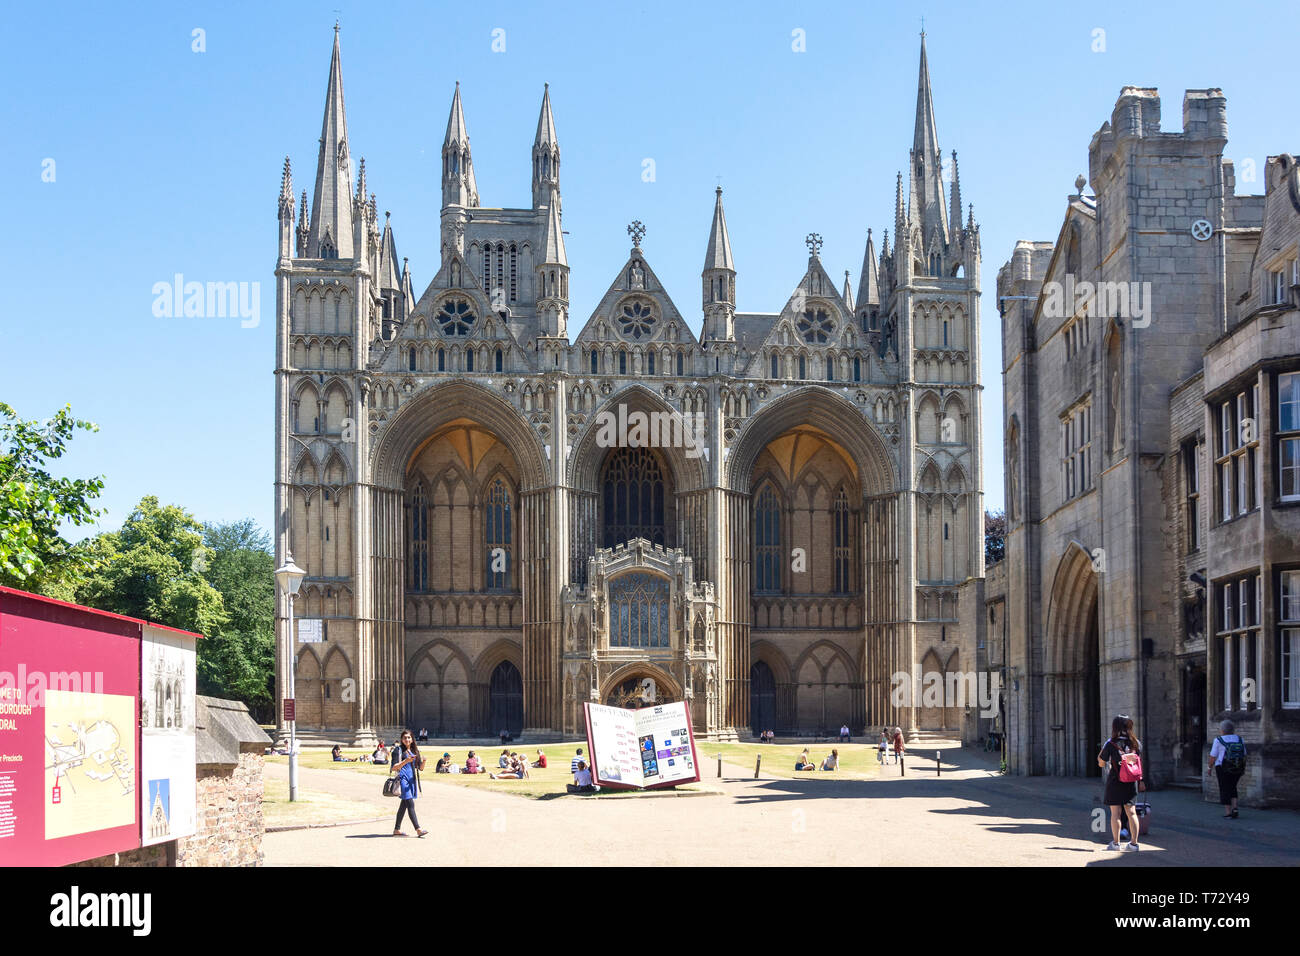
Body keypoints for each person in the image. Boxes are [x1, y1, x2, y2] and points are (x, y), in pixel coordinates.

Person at [1097, 715, 1141, 851]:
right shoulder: (1135, 743)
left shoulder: (1111, 743)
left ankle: (1116, 844)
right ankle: (1134, 844)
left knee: (1115, 813)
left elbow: (1101, 763)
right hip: (1131, 781)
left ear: (1114, 727)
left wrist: (1101, 756)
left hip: (1115, 781)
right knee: (1132, 812)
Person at [390, 730, 427, 838]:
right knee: (410, 804)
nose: (407, 739)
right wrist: (406, 761)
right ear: (402, 739)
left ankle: (397, 829)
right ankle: (418, 829)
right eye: (405, 738)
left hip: (411, 781)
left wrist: (424, 761)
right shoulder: (398, 750)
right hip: (402, 780)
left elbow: (420, 768)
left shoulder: (415, 750)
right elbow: (394, 767)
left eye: (409, 737)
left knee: (403, 806)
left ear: (412, 739)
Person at [1208, 719, 1247, 818]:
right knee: (1233, 787)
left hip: (1222, 768)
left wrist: (1209, 767)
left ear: (1222, 730)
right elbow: (1244, 754)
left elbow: (1213, 756)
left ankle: (1228, 812)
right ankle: (1235, 808)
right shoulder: (1239, 739)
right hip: (1237, 767)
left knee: (1224, 788)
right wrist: (1243, 767)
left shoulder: (1218, 740)